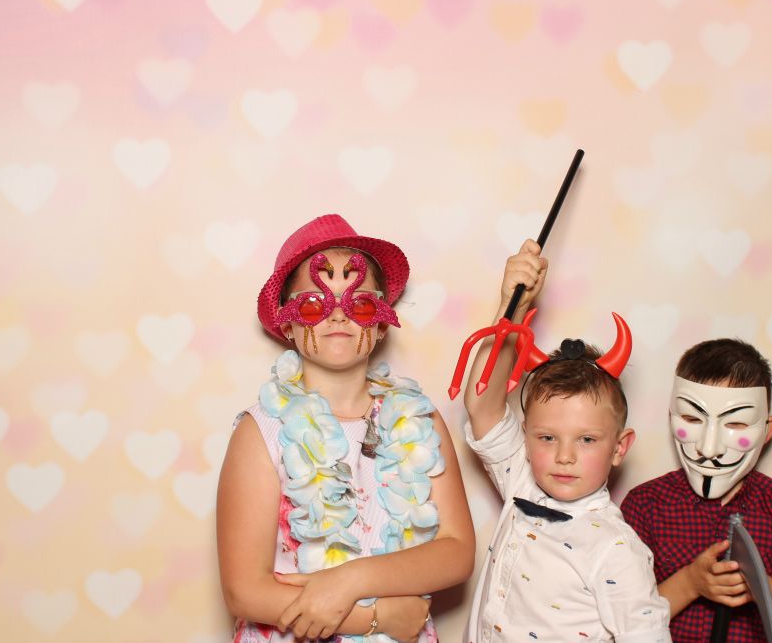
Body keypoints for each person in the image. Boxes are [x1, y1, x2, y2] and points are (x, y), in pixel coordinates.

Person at [217, 214, 475, 642]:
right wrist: (377, 618)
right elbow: (243, 591)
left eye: (360, 304)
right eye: (314, 304)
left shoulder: (421, 420)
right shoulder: (260, 432)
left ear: (381, 323)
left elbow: (457, 550)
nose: (338, 315)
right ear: (287, 323)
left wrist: (351, 579)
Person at [460, 240, 671, 643]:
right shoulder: (522, 481)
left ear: (619, 448)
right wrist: (512, 306)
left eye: (587, 439)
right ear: (526, 437)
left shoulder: (617, 550)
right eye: (547, 437)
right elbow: (483, 404)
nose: (564, 456)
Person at [620, 339, 772, 642]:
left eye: (736, 423)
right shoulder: (646, 504)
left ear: (766, 430)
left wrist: (758, 584)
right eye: (692, 419)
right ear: (672, 418)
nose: (710, 449)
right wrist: (690, 583)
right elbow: (624, 618)